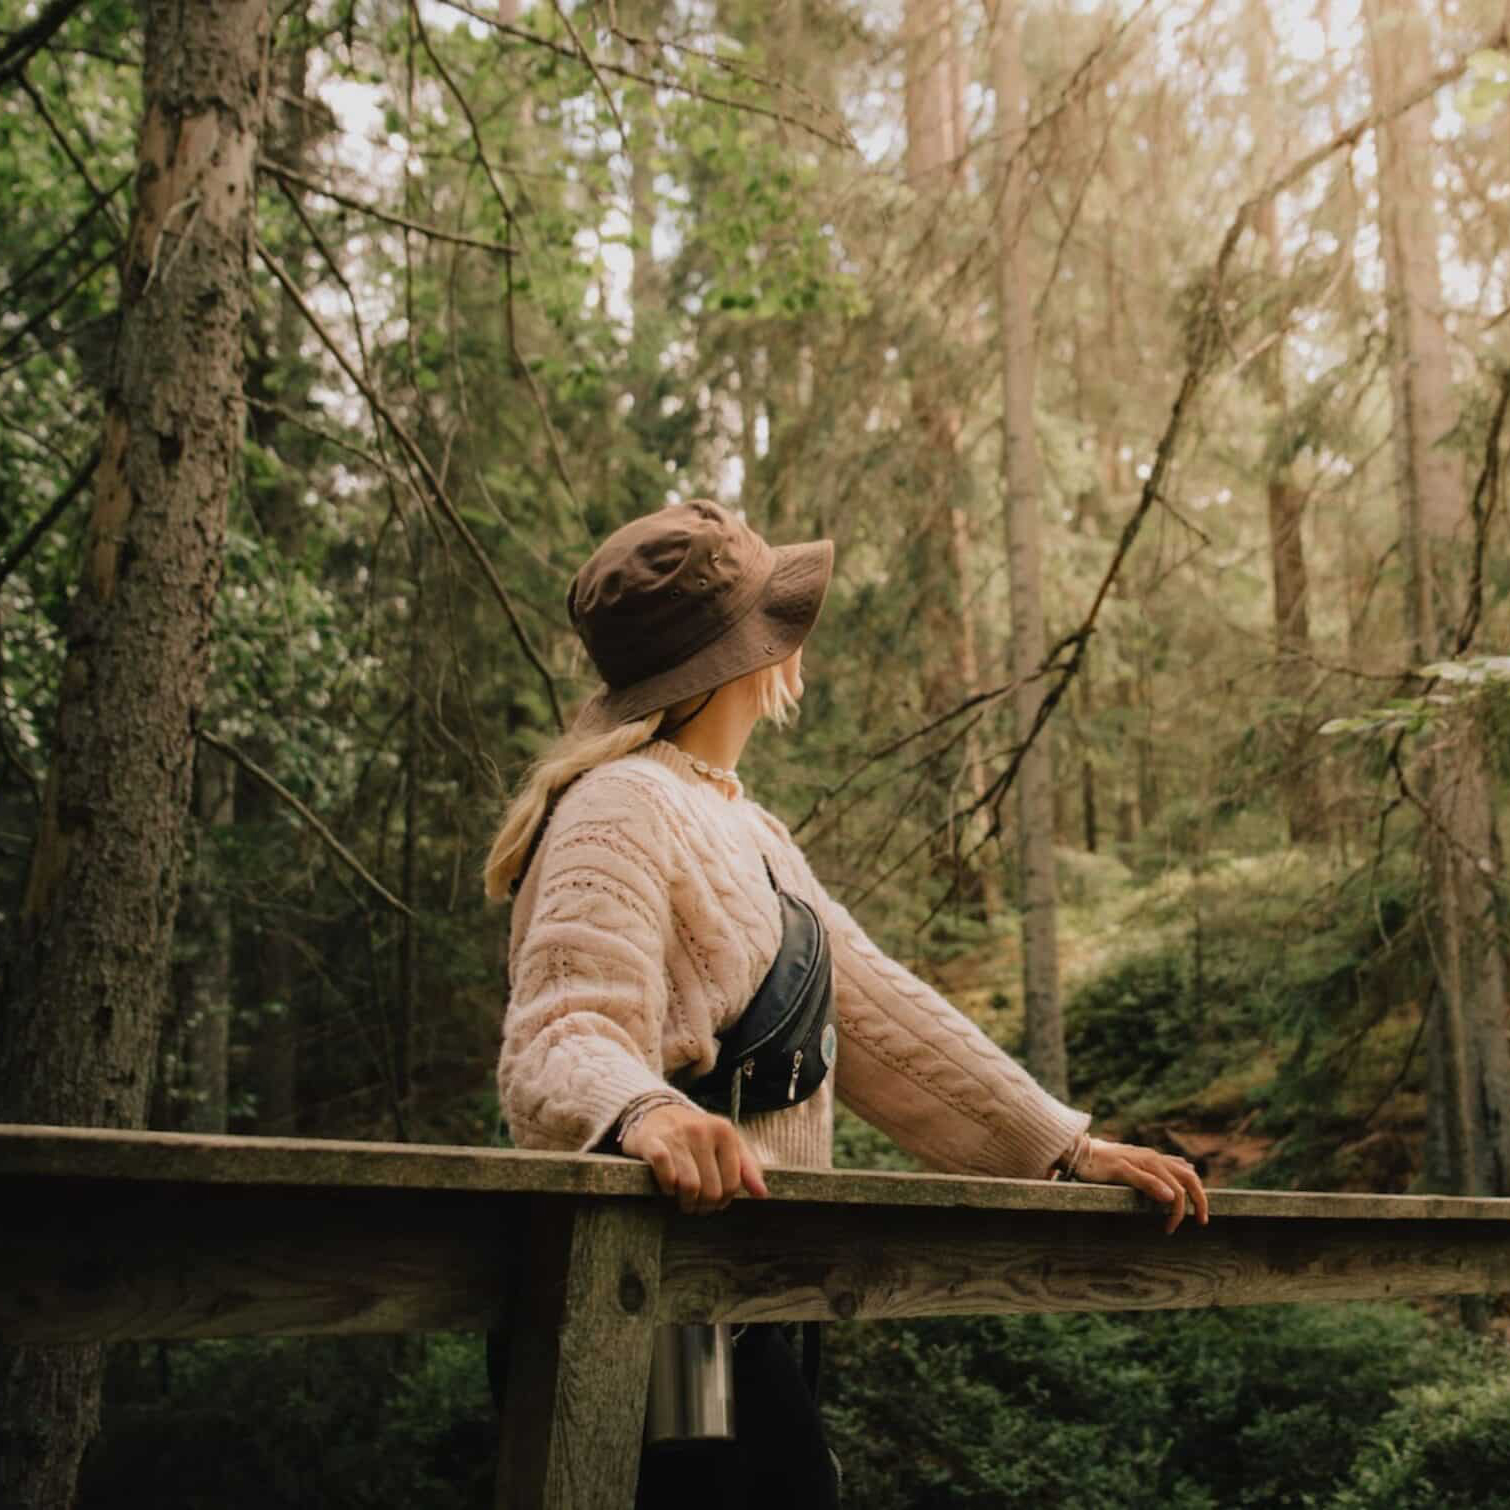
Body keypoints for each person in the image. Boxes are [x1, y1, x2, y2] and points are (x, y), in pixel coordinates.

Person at [485, 498, 1208, 1506]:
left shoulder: (751, 828)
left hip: (752, 1295)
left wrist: (1062, 1146)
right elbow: (558, 1032)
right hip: (655, 1314)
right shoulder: (619, 806)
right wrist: (644, 1109)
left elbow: (880, 1016)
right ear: (748, 651)